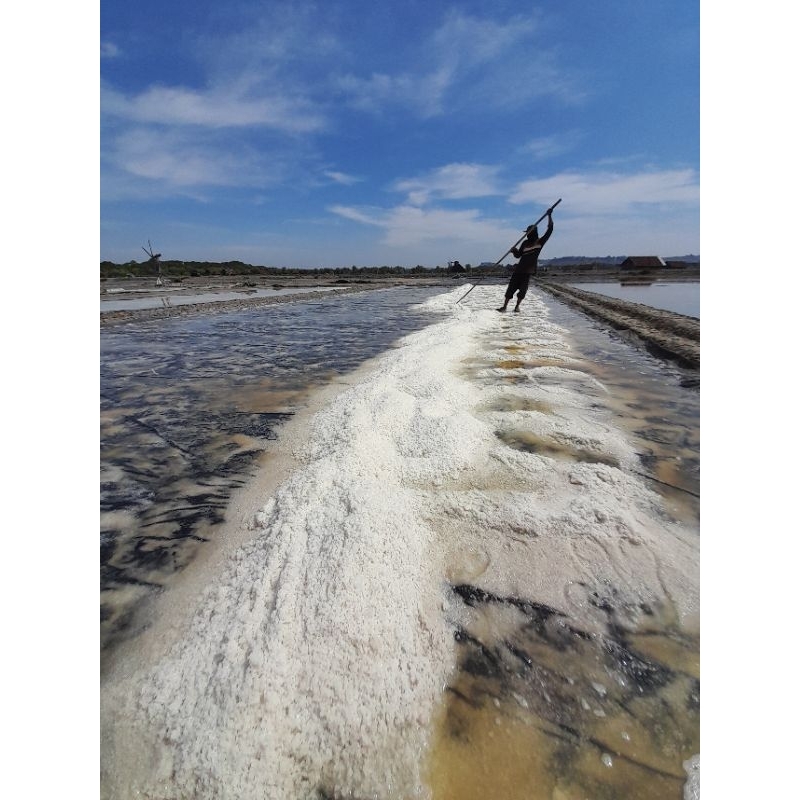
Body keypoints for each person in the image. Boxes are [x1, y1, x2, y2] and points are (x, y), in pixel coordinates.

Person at [497, 210, 554, 312]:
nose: (527, 234)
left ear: (532, 232)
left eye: (528, 232)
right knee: (510, 289)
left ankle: (516, 307)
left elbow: (550, 230)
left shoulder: (540, 242)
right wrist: (513, 251)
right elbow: (518, 255)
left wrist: (549, 215)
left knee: (523, 291)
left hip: (528, 272)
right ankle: (505, 307)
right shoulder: (525, 243)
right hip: (518, 270)